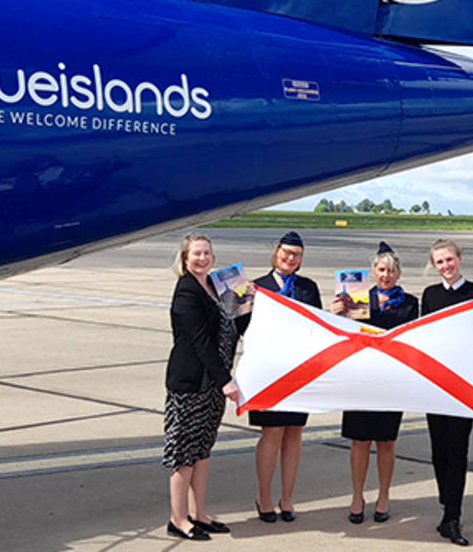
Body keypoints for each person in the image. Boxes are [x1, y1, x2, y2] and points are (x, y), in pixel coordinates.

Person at [421, 239, 473, 546]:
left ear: (460, 258)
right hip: (435, 385)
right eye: (439, 262)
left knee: (457, 450)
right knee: (438, 450)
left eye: (449, 260)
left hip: (463, 385)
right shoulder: (430, 295)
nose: (445, 266)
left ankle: (453, 516)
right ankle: (447, 506)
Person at [332, 241, 418, 525]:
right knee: (359, 440)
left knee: (385, 441)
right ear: (373, 271)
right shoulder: (356, 297)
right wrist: (337, 315)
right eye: (381, 270)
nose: (386, 275)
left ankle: (384, 495)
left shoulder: (409, 303)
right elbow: (343, 334)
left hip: (390, 380)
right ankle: (357, 495)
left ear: (399, 273)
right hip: (360, 377)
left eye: (391, 271)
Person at [162, 233, 240, 541]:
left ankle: (198, 513)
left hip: (213, 384)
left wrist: (251, 299)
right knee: (184, 454)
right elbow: (200, 342)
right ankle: (177, 518)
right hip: (191, 383)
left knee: (203, 450)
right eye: (196, 254)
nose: (202, 258)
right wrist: (226, 381)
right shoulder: (186, 291)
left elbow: (234, 325)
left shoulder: (215, 287)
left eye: (206, 253)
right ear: (185, 259)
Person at [241, 231, 322, 523]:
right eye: (286, 253)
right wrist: (239, 302)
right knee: (272, 433)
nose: (291, 258)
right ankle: (264, 497)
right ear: (276, 253)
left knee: (294, 433)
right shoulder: (256, 287)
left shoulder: (308, 288)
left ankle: (287, 499)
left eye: (297, 255)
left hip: (299, 371)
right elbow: (240, 327)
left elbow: (319, 327)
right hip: (269, 371)